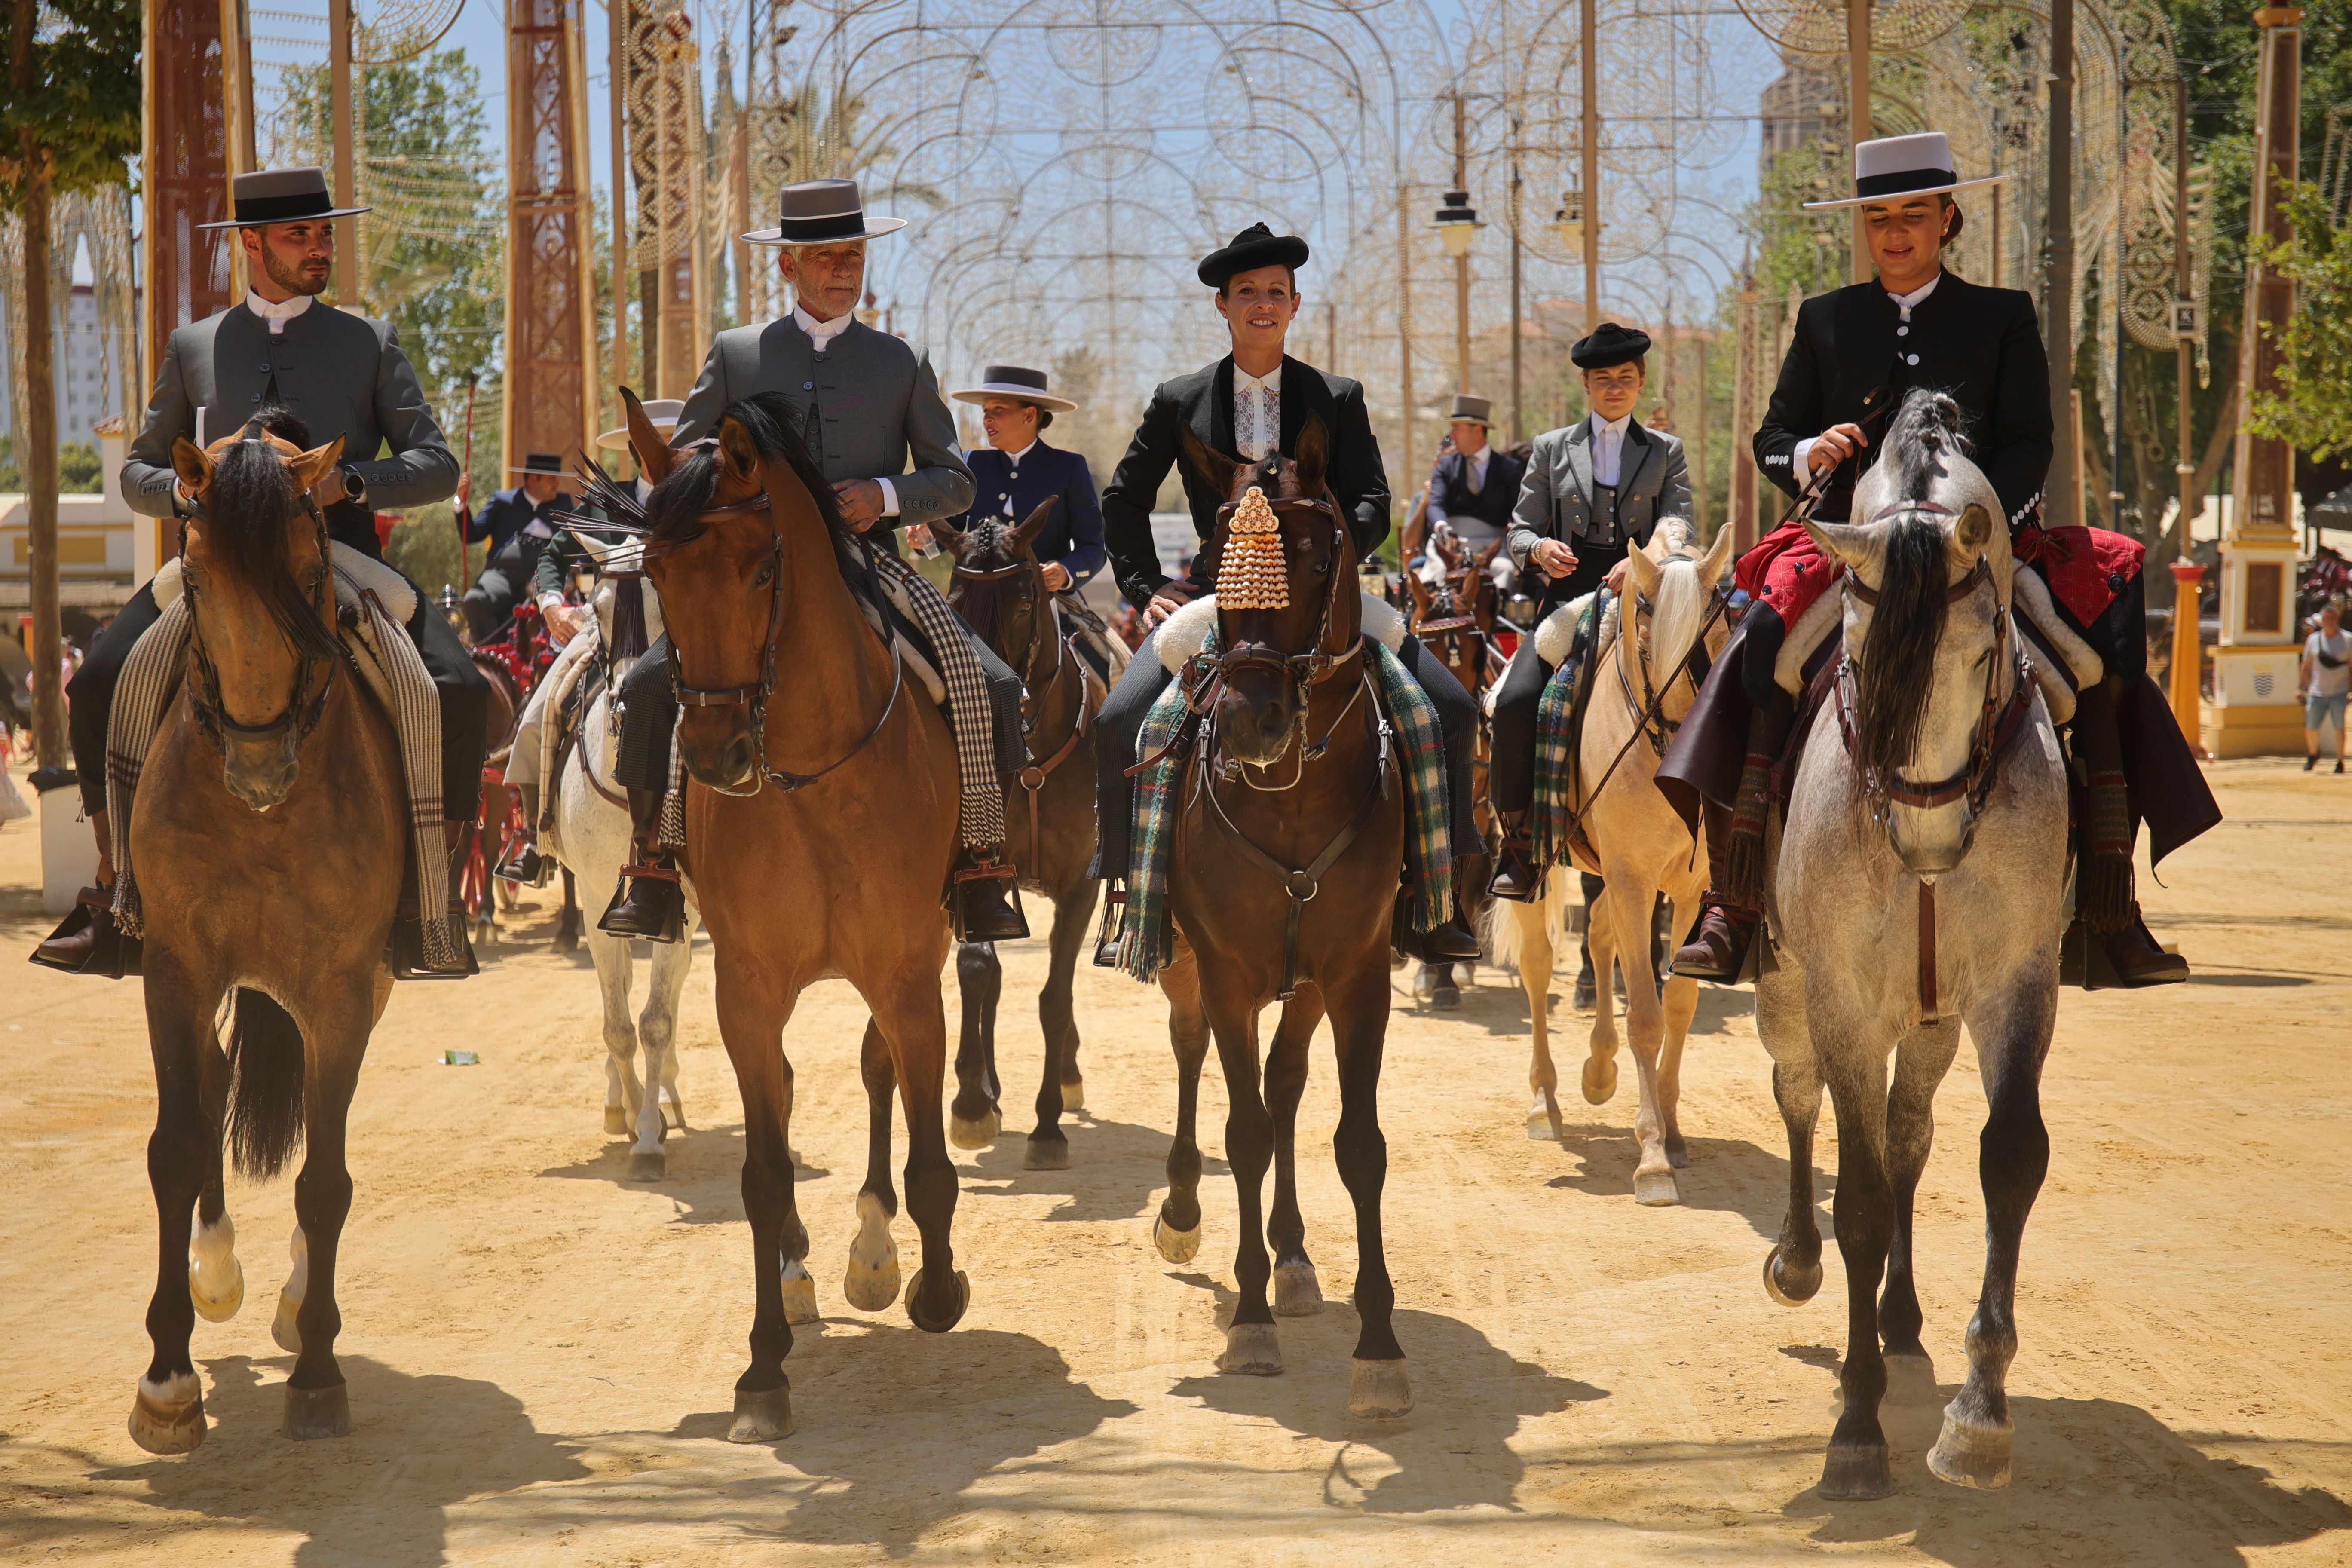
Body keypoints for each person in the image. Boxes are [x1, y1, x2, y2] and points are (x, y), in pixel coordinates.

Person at [1661, 131, 2216, 988]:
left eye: (1912, 215)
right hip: (1856, 549)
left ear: (1947, 218)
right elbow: (1774, 435)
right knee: (1760, 645)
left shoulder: (2003, 315)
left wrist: (1984, 524)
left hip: (1976, 544)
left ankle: (2110, 907)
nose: (1893, 233)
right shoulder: (1823, 318)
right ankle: (1733, 900)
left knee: (2103, 655)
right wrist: (1808, 451)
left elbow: (2030, 441)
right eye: (1878, 218)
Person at [43, 166, 481, 974]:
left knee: (456, 687)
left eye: (324, 234)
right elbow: (137, 472)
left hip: (337, 555)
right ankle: (114, 892)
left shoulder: (370, 341)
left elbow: (438, 465)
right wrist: (184, 493)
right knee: (97, 681)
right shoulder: (194, 345)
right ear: (251, 243)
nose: (319, 248)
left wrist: (352, 482)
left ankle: (429, 901)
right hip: (219, 562)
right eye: (298, 235)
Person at [604, 178, 1025, 943]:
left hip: (869, 564)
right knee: (644, 684)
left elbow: (955, 480)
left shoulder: (901, 360)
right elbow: (687, 462)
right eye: (826, 256)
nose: (843, 269)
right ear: (787, 267)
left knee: (989, 680)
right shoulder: (736, 353)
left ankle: (981, 864)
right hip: (748, 568)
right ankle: (653, 867)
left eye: (853, 254)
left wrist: (884, 495)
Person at [1093, 221, 1485, 963]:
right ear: (1222, 305)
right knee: (1118, 720)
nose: (1262, 304)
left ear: (1296, 304)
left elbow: (1372, 499)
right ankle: (1134, 903)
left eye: (1276, 291)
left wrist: (1329, 564)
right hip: (1220, 600)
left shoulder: (1336, 396)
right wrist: (1145, 586)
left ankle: (1433, 900)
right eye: (1247, 292)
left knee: (1453, 710)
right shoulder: (1179, 399)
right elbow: (1123, 499)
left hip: (1323, 597)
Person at [1486, 325, 1693, 899]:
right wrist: (1538, 550)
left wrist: (1646, 557)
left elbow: (1680, 523)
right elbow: (1519, 530)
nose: (1615, 387)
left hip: (1645, 603)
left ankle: (1714, 846)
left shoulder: (1666, 450)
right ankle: (1520, 843)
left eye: (1626, 378)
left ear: (1641, 383)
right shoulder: (1551, 448)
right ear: (1587, 385)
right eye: (1604, 379)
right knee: (1515, 701)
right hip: (1569, 603)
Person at [497, 401, 683, 884]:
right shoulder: (606, 502)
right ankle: (537, 834)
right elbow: (553, 556)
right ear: (637, 448)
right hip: (608, 627)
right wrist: (553, 605)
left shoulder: (698, 498)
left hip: (685, 633)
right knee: (540, 713)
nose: (665, 450)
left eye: (673, 440)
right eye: (657, 441)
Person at [943, 363, 1107, 591]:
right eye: (985, 410)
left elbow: (1094, 547)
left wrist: (1065, 572)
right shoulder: (973, 463)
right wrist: (924, 539)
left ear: (1029, 414)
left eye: (998, 409)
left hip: (1046, 596)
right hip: (976, 595)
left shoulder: (1069, 467)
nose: (987, 418)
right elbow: (948, 530)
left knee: (1086, 620)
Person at [456, 452, 575, 643]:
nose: (557, 484)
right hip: (501, 575)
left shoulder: (564, 504)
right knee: (475, 599)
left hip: (542, 576)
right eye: (552, 479)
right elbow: (471, 535)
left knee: (547, 603)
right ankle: (490, 658)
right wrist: (462, 503)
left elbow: (577, 543)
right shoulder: (503, 500)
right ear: (534, 479)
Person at [1422, 393, 1525, 560]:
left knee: (1504, 571)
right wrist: (1443, 527)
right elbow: (1436, 504)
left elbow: (1518, 512)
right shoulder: (1445, 466)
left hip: (1494, 550)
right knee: (1431, 575)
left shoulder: (1509, 468)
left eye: (1457, 428)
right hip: (1449, 549)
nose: (1451, 435)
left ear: (1477, 430)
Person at [2305, 602, 2350, 773]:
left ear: (2338, 620)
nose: (2330, 621)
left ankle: (2340, 761)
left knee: (2339, 727)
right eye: (2327, 619)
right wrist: (2300, 687)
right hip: (2317, 691)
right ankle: (2313, 754)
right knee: (2311, 727)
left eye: (2333, 618)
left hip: (2340, 691)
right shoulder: (2313, 640)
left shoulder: (2348, 640)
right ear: (2322, 621)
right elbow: (2306, 665)